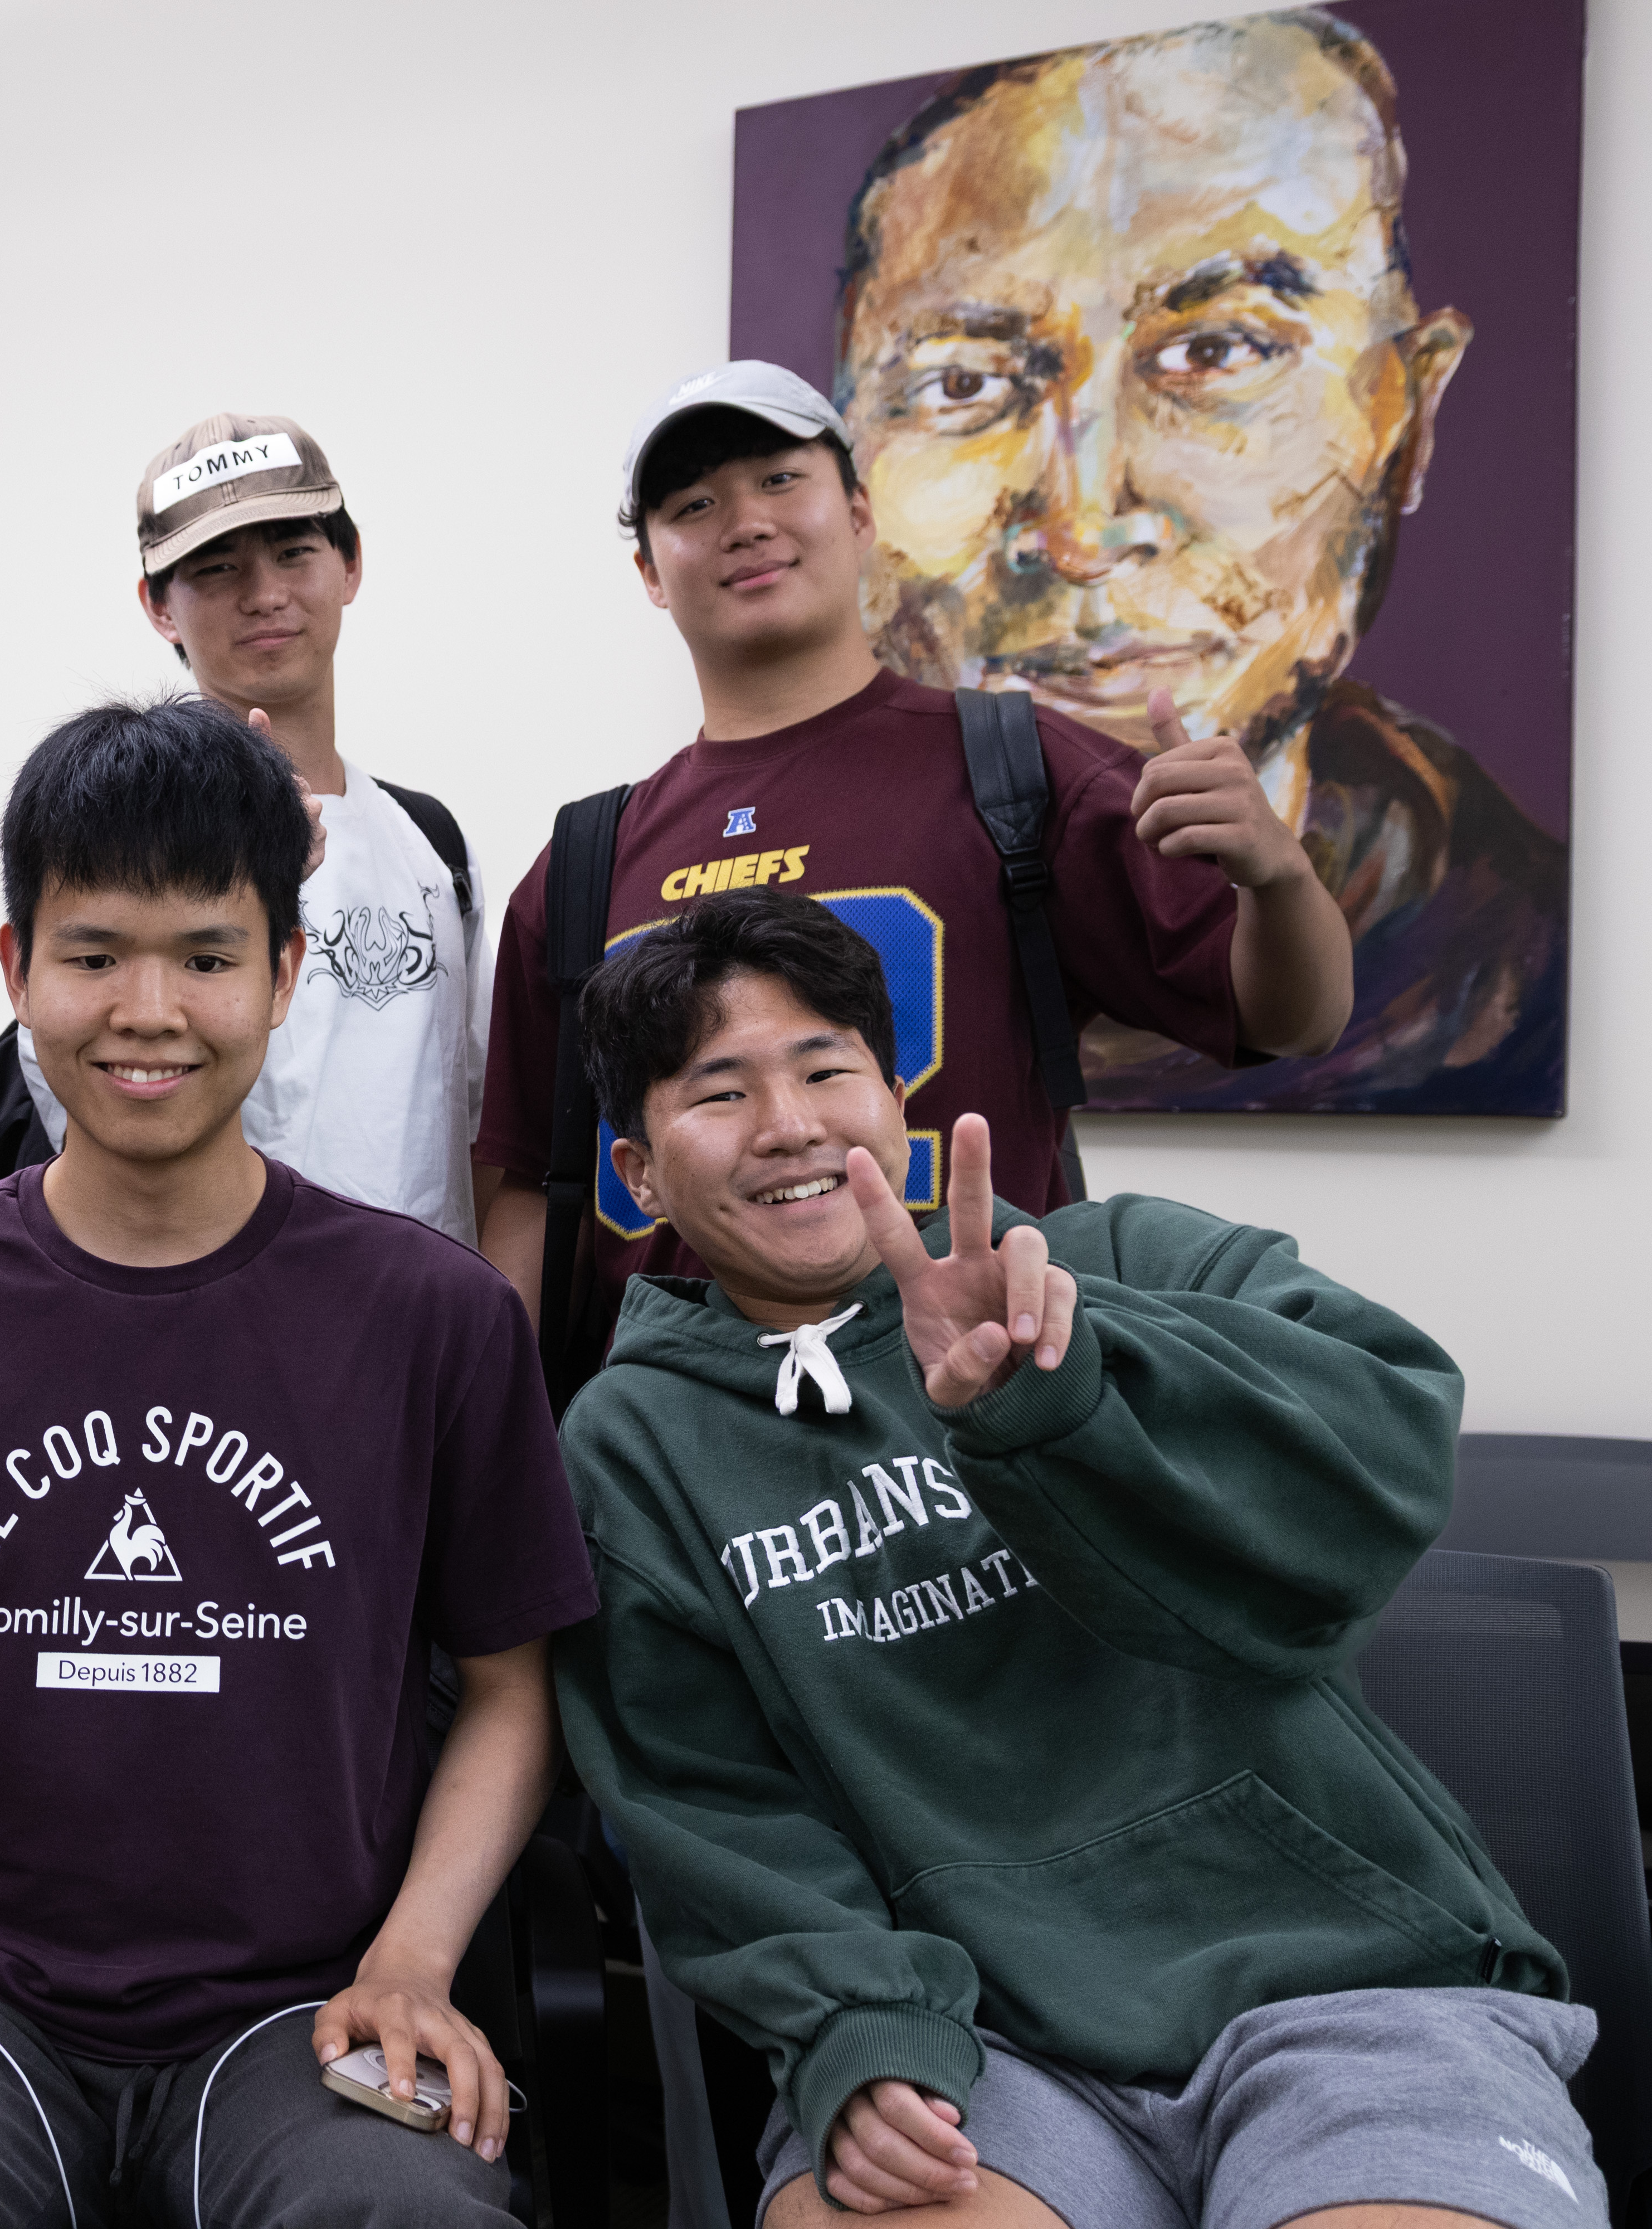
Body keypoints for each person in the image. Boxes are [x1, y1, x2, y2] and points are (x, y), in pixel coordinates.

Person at [0, 698, 595, 2226]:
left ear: (287, 975)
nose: (147, 1010)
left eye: (209, 957)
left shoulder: (431, 1317)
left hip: (311, 2004)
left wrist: (415, 1961)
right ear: (20, 969)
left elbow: (510, 1684)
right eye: (94, 956)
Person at [552, 888, 1601, 2228]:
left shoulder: (1117, 1258)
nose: (792, 1124)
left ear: (896, 1097)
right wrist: (857, 2033)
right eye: (721, 1092)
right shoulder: (632, 1441)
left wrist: (1073, 1387)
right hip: (983, 2043)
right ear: (638, 1170)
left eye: (827, 1067)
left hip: (1357, 1990)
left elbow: (1387, 1447)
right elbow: (709, 1804)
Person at [473, 362, 1353, 1375]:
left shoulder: (1017, 770)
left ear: (857, 514)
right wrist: (507, 1427)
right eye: (694, 505)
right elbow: (535, 1189)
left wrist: (1277, 879)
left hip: (977, 1384)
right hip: (684, 1429)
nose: (745, 522)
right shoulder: (589, 859)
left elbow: (1293, 1019)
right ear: (648, 571)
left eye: (777, 481)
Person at [835, 13, 1562, 1114]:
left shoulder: (1520, 962)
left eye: (1218, 352)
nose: (1082, 526)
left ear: (1404, 419)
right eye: (964, 385)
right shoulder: (775, 889)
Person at [0, 413, 490, 1239]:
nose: (264, 595)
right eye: (218, 568)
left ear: (351, 564)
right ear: (158, 606)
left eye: (294, 553)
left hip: (413, 1332)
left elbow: (477, 1126)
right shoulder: (107, 835)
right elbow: (83, 1098)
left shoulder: (432, 842)